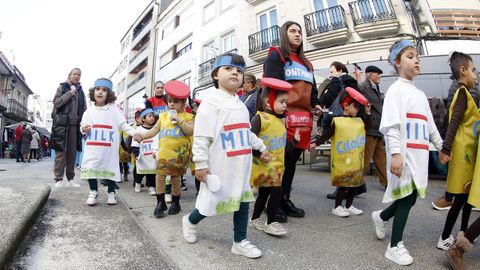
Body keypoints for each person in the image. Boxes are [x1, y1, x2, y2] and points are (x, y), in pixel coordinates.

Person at [182, 53, 270, 258]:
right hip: (220, 166)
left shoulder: (239, 103)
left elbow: (245, 132)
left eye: (239, 71)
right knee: (211, 202)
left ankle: (240, 241)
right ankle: (190, 220)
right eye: (229, 69)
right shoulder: (210, 102)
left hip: (241, 165)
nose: (235, 73)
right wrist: (201, 164)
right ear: (215, 75)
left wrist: (261, 147)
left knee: (242, 200)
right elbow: (202, 136)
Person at [371, 40, 447, 266]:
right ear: (396, 62)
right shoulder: (396, 90)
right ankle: (394, 246)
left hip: (420, 155)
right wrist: (395, 153)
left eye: (417, 57)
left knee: (411, 197)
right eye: (410, 56)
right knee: (405, 197)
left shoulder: (421, 95)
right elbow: (392, 125)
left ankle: (381, 216)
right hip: (403, 155)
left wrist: (441, 146)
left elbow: (430, 124)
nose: (417, 60)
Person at [263, 21, 321, 222]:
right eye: (293, 31)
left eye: (300, 32)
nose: (297, 35)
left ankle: (285, 198)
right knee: (280, 161)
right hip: (284, 117)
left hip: (303, 119)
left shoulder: (307, 63)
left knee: (291, 162)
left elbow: (312, 88)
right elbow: (272, 86)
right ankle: (273, 202)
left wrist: (316, 103)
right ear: (284, 34)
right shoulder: (277, 54)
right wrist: (277, 117)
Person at [436, 52, 478, 251]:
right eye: (473, 70)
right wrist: (446, 147)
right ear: (463, 71)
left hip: (468, 152)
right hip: (463, 153)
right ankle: (444, 237)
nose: (476, 76)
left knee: (467, 195)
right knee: (461, 197)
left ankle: (462, 233)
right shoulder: (462, 93)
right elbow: (454, 122)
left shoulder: (466, 94)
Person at [134, 80, 194, 218]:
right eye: (169, 101)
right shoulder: (163, 116)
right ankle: (160, 203)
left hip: (179, 154)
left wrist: (179, 119)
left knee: (175, 179)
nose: (171, 104)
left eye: (175, 101)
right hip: (164, 153)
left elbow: (190, 131)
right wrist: (142, 136)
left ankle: (176, 203)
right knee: (160, 177)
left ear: (183, 102)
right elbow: (154, 130)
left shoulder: (188, 117)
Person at [312, 87, 371, 217]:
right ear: (345, 105)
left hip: (356, 159)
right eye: (355, 106)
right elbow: (327, 134)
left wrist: (367, 112)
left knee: (354, 184)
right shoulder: (338, 121)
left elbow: (368, 125)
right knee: (343, 184)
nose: (357, 109)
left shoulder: (359, 120)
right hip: (343, 159)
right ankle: (337, 206)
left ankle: (349, 205)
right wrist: (315, 143)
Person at [80, 78, 137, 206]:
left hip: (109, 148)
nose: (100, 92)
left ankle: (111, 193)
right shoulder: (88, 111)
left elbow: (124, 125)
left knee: (110, 168)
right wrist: (83, 128)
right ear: (93, 92)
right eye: (97, 89)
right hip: (93, 147)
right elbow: (82, 125)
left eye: (104, 90)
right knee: (91, 167)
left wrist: (136, 134)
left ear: (109, 94)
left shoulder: (114, 110)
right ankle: (93, 191)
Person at [249, 77, 292, 236]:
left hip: (277, 166)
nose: (285, 105)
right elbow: (248, 140)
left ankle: (255, 218)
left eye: (286, 102)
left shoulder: (280, 121)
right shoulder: (259, 118)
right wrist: (259, 153)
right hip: (263, 165)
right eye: (282, 102)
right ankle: (272, 221)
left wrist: (294, 141)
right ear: (268, 102)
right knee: (276, 191)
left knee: (265, 193)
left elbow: (282, 145)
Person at [432, 79, 480, 211]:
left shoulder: (464, 89)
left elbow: (455, 119)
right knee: (463, 186)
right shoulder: (461, 88)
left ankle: (451, 198)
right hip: (464, 138)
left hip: (464, 138)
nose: (475, 77)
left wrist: (446, 146)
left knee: (462, 179)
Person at [51, 68, 87, 188]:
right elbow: (56, 103)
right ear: (70, 75)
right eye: (75, 74)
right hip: (62, 125)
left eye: (79, 75)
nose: (77, 76)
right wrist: (70, 93)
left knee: (72, 153)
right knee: (61, 152)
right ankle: (58, 179)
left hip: (75, 126)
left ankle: (70, 179)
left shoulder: (81, 91)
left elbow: (85, 110)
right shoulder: (63, 87)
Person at [358, 65, 387, 189]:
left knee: (381, 160)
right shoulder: (364, 87)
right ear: (370, 75)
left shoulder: (375, 88)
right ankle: (354, 185)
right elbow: (362, 108)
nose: (380, 76)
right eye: (378, 73)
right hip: (369, 130)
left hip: (378, 129)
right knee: (365, 160)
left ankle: (387, 184)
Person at [131, 108, 158, 195]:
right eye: (149, 116)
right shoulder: (138, 130)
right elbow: (134, 143)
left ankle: (151, 186)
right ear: (143, 119)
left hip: (152, 155)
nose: (152, 118)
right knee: (140, 172)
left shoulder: (155, 129)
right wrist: (137, 153)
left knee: (152, 172)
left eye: (153, 116)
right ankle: (137, 183)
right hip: (142, 155)